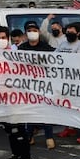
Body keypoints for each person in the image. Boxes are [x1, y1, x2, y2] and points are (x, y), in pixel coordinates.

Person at [0, 27, 34, 159]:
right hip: (2, 98)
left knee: (19, 130)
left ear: (8, 38)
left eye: (4, 37)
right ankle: (16, 154)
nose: (1, 40)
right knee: (9, 130)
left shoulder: (16, 54)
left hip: (17, 98)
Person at [18, 20, 57, 150]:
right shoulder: (22, 48)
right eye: (29, 31)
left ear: (39, 32)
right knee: (29, 111)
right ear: (26, 33)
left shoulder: (46, 47)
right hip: (28, 85)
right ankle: (29, 136)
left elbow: (59, 59)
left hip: (44, 85)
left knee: (46, 111)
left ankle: (49, 137)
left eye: (34, 31)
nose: (32, 33)